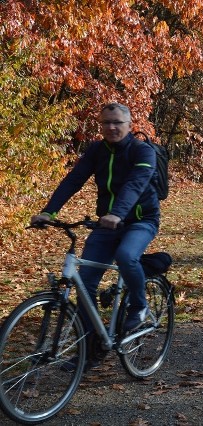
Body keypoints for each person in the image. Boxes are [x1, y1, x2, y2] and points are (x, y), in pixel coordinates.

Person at [30, 102, 160, 369]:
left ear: (129, 125)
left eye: (117, 123)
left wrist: (117, 213)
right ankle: (93, 349)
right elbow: (73, 179)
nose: (111, 127)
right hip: (107, 223)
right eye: (106, 123)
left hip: (140, 220)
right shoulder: (97, 150)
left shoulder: (143, 150)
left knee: (126, 256)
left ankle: (139, 306)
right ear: (100, 125)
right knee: (84, 285)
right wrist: (49, 212)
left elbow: (137, 183)